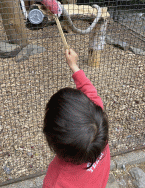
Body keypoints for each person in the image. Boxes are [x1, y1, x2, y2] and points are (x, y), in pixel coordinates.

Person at [43, 48, 110, 188]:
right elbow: (90, 91)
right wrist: (74, 66)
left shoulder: (56, 180)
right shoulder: (98, 130)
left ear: (52, 141)